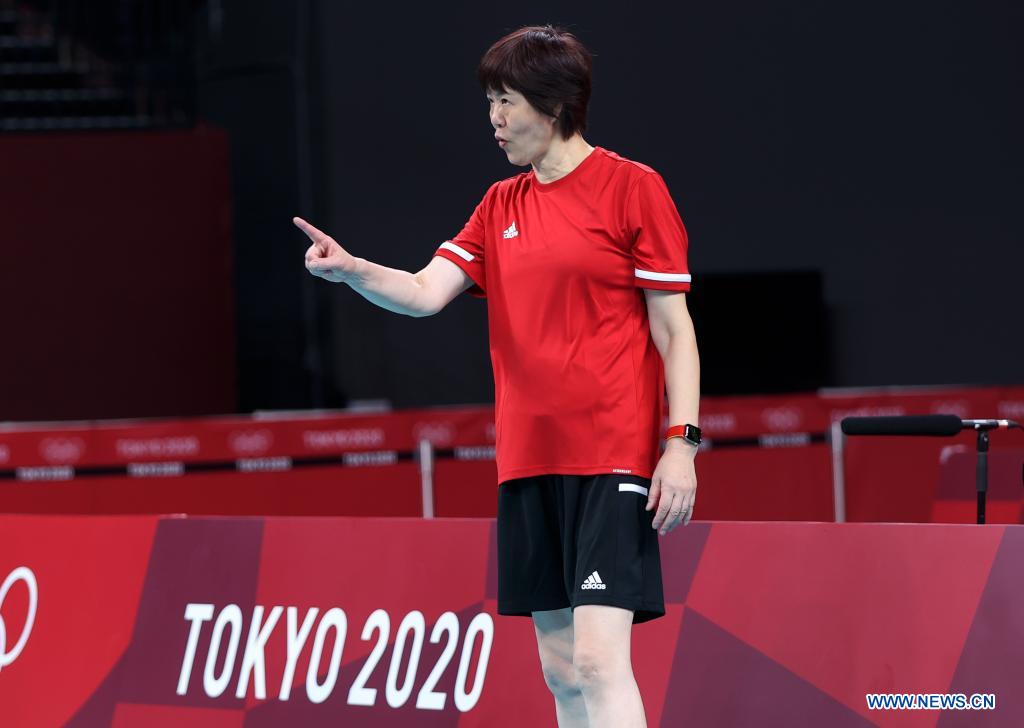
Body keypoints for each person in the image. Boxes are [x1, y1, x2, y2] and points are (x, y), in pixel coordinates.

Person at [297, 25, 699, 728]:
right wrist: (353, 269)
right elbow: (424, 292)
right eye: (491, 101)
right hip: (527, 462)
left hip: (612, 455)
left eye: (507, 101)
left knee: (602, 660)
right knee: (562, 669)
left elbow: (675, 329)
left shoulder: (634, 189)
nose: (495, 119)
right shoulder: (499, 205)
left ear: (556, 105)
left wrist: (682, 443)